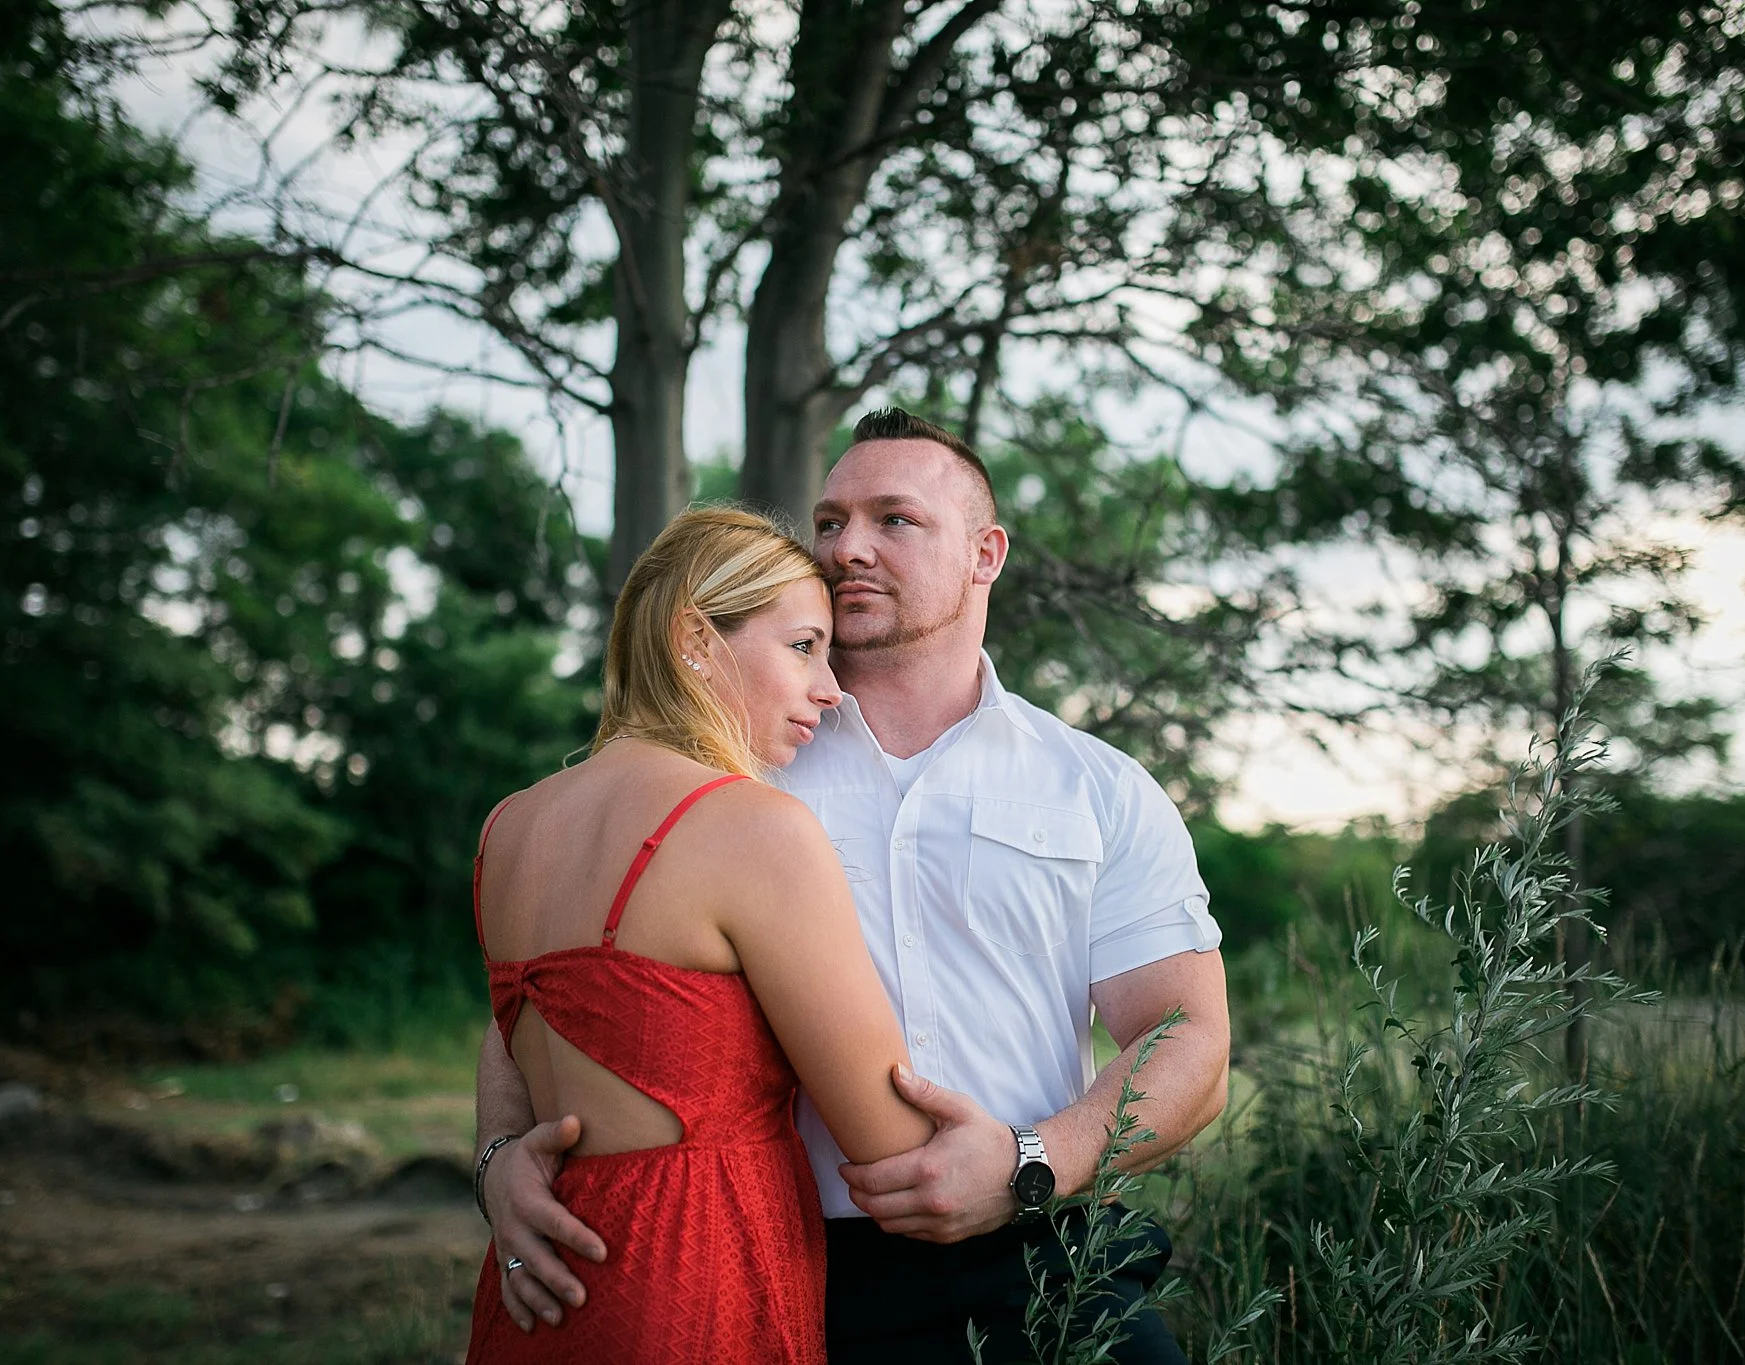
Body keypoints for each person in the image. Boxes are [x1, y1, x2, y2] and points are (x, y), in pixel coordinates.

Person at [480, 411, 1231, 1363]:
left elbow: (1189, 1036)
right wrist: (498, 1158)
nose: (848, 548)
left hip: (1037, 1255)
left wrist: (1028, 1162)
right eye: (829, 521)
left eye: (894, 520)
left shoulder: (1097, 786)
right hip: (789, 1264)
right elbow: (553, 986)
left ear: (984, 553)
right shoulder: (730, 774)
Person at [462, 507, 934, 1365]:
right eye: (803, 646)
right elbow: (889, 1140)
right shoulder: (754, 829)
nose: (832, 689)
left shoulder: (508, 827)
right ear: (693, 639)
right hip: (694, 1287)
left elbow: (519, 1029)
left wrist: (494, 1158)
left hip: (533, 1291)